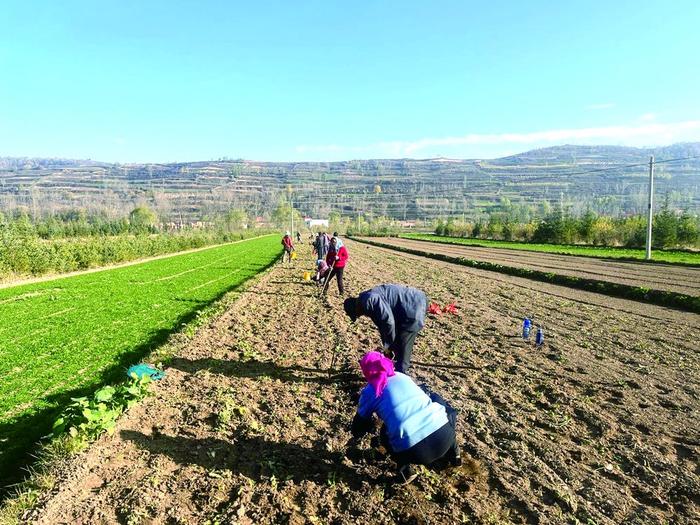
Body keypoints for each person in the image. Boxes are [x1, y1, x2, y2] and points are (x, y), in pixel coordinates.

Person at [349, 351, 460, 484]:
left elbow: (360, 422)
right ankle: (455, 454)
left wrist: (357, 433)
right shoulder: (402, 376)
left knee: (386, 433)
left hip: (417, 454)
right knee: (436, 400)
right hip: (445, 438)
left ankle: (405, 472)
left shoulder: (370, 391)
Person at [343, 284, 427, 374]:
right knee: (397, 346)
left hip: (413, 307)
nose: (360, 315)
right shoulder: (366, 301)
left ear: (356, 307)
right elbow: (382, 326)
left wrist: (389, 345)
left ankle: (401, 374)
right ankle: (394, 369)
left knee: (403, 347)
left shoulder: (369, 301)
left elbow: (388, 322)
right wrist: (387, 347)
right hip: (406, 307)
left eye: (357, 314)